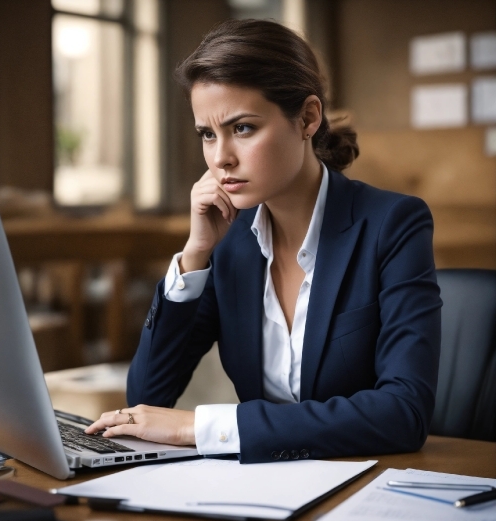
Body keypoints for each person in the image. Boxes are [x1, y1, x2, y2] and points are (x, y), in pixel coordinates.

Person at [86, 19, 442, 462]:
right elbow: (148, 394)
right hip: (259, 489)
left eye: (243, 128)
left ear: (308, 118)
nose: (221, 158)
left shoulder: (393, 224)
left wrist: (201, 427)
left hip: (364, 487)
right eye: (207, 134)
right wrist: (195, 257)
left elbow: (402, 414)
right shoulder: (230, 241)